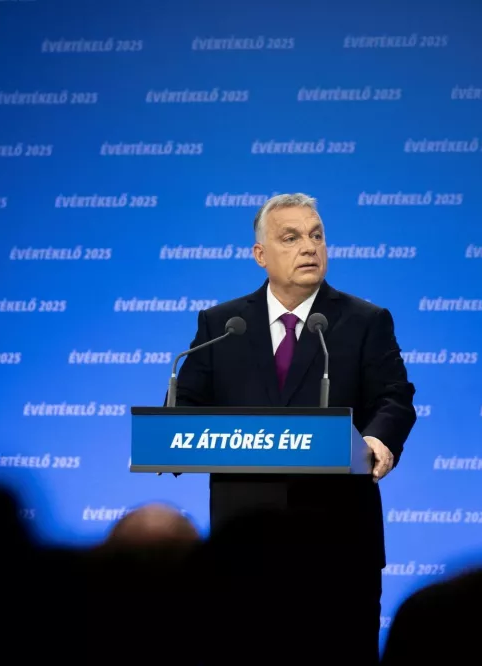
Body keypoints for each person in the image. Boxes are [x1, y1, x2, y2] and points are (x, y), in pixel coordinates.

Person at [172, 192, 416, 662]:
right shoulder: (223, 324)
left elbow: (394, 396)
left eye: (316, 236)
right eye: (291, 237)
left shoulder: (365, 321)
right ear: (260, 254)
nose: (309, 247)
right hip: (244, 544)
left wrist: (377, 440)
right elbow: (186, 403)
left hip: (339, 542)